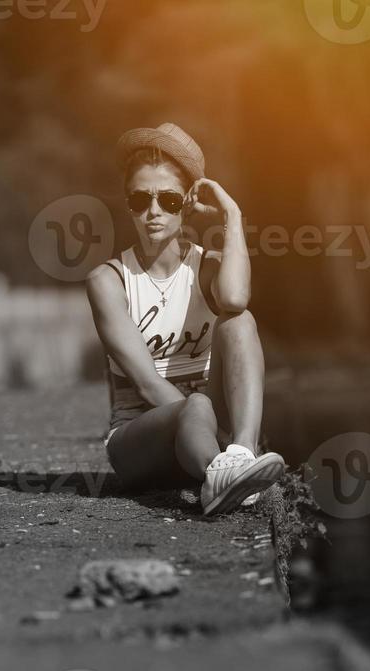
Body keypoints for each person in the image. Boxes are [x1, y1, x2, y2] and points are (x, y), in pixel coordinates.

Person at [86, 122, 285, 516]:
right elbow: (146, 384)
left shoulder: (204, 268)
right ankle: (222, 473)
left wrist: (233, 214)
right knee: (194, 404)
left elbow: (235, 298)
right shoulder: (109, 282)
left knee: (238, 322)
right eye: (140, 199)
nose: (154, 211)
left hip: (204, 435)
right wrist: (204, 420)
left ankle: (239, 459)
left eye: (169, 201)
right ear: (128, 202)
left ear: (188, 203)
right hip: (142, 441)